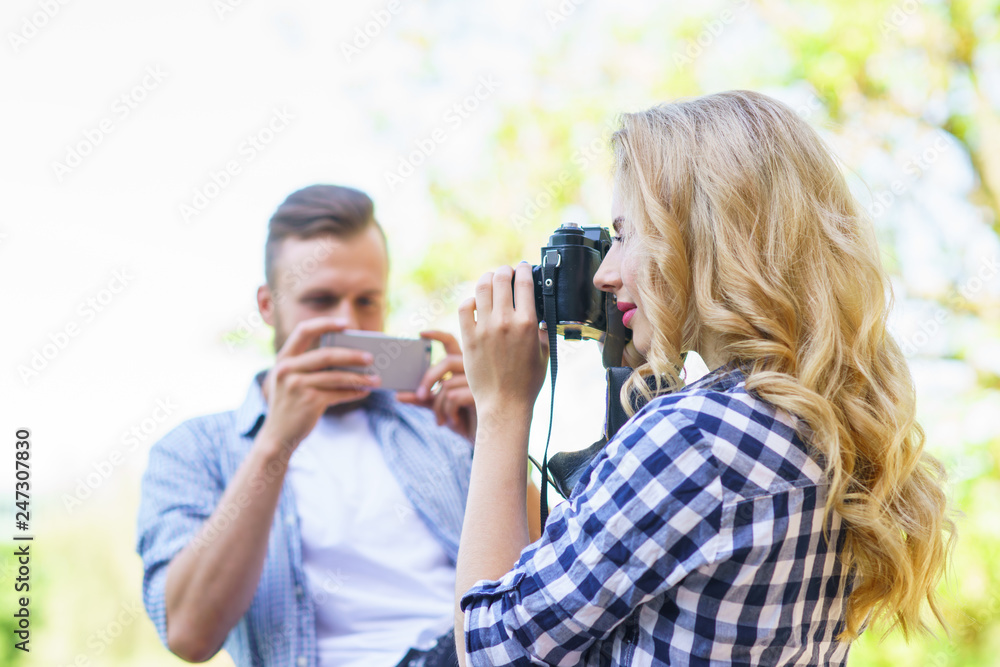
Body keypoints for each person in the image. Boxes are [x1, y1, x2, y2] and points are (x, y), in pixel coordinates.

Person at [453, 91, 954, 665]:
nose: (607, 275)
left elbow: (490, 649)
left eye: (626, 234)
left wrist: (501, 408)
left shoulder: (695, 440)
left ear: (707, 234)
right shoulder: (827, 431)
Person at [137, 184, 538, 667]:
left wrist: (494, 431)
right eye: (322, 300)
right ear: (268, 305)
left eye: (367, 301)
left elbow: (543, 590)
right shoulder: (195, 449)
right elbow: (187, 633)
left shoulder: (438, 425)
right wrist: (275, 444)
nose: (348, 322)